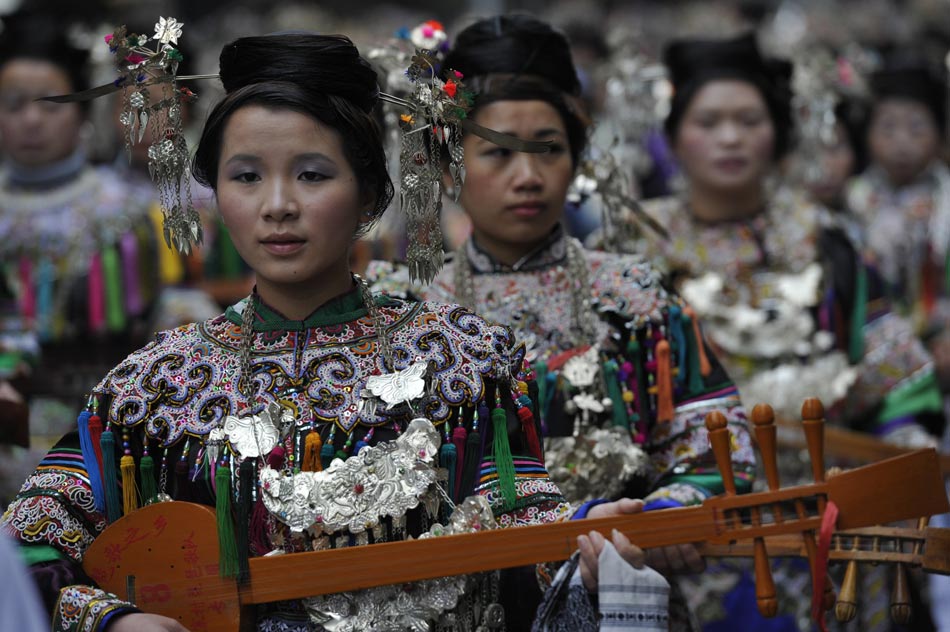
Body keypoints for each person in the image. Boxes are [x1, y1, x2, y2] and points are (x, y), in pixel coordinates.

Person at [1, 25, 661, 632]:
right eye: (247, 177)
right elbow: (31, 534)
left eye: (313, 175)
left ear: (370, 195)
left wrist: (581, 537)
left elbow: (517, 512)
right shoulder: (156, 387)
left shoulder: (460, 355)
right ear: (217, 195)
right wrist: (109, 619)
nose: (278, 206)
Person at [634, 32, 941, 631]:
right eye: (709, 121)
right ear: (673, 137)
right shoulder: (636, 254)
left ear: (776, 132)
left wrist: (903, 472)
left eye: (748, 119)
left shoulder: (829, 242)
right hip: (698, 535)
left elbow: (897, 378)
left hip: (836, 525)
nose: (730, 137)